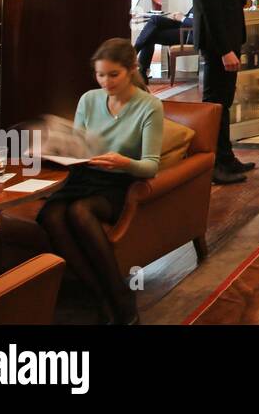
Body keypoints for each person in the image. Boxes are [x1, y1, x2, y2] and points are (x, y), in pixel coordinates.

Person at [36, 39, 164, 324]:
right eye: (100, 75)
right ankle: (102, 296)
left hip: (118, 182)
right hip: (84, 176)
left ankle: (119, 297)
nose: (105, 81)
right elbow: (78, 145)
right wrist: (57, 149)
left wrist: (123, 162)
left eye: (113, 75)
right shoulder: (89, 99)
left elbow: (151, 166)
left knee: (80, 212)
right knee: (51, 215)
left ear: (132, 69)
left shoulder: (149, 107)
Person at [192, 0, 252, 185]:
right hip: (219, 45)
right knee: (215, 104)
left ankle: (227, 157)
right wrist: (225, 50)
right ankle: (215, 164)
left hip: (228, 40)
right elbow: (209, 8)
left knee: (224, 102)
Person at [132, 8, 194, 81]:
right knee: (155, 19)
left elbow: (200, 24)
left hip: (188, 34)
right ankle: (140, 68)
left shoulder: (207, 4)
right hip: (182, 26)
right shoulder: (198, 2)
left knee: (150, 35)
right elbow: (191, 16)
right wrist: (178, 16)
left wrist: (182, 18)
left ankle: (134, 56)